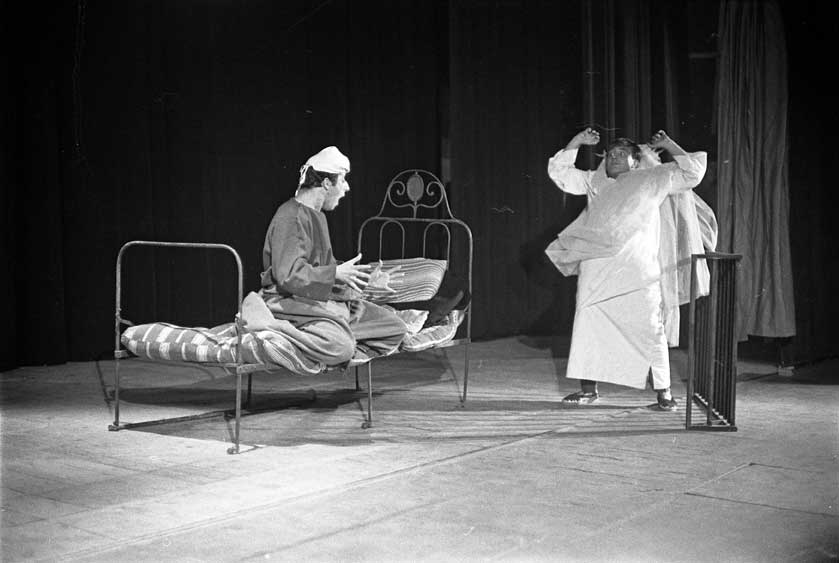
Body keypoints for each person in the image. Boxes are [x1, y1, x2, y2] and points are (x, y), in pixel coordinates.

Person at [545, 128, 709, 410]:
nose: (614, 158)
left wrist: (668, 144)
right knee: (589, 323)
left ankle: (665, 394)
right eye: (610, 154)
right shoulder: (594, 182)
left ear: (637, 160)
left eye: (622, 154)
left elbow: (693, 173)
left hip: (640, 269)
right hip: (597, 268)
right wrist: (577, 142)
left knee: (651, 328)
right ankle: (588, 389)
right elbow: (560, 173)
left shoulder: (653, 179)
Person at [256, 146, 407, 366]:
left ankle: (335, 335)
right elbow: (288, 275)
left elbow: (323, 266)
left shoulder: (316, 216)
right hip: (288, 301)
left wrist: (367, 279)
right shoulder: (290, 217)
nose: (346, 188)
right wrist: (335, 273)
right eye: (343, 180)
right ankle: (283, 334)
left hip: (318, 299)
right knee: (341, 347)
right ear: (327, 183)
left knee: (395, 328)